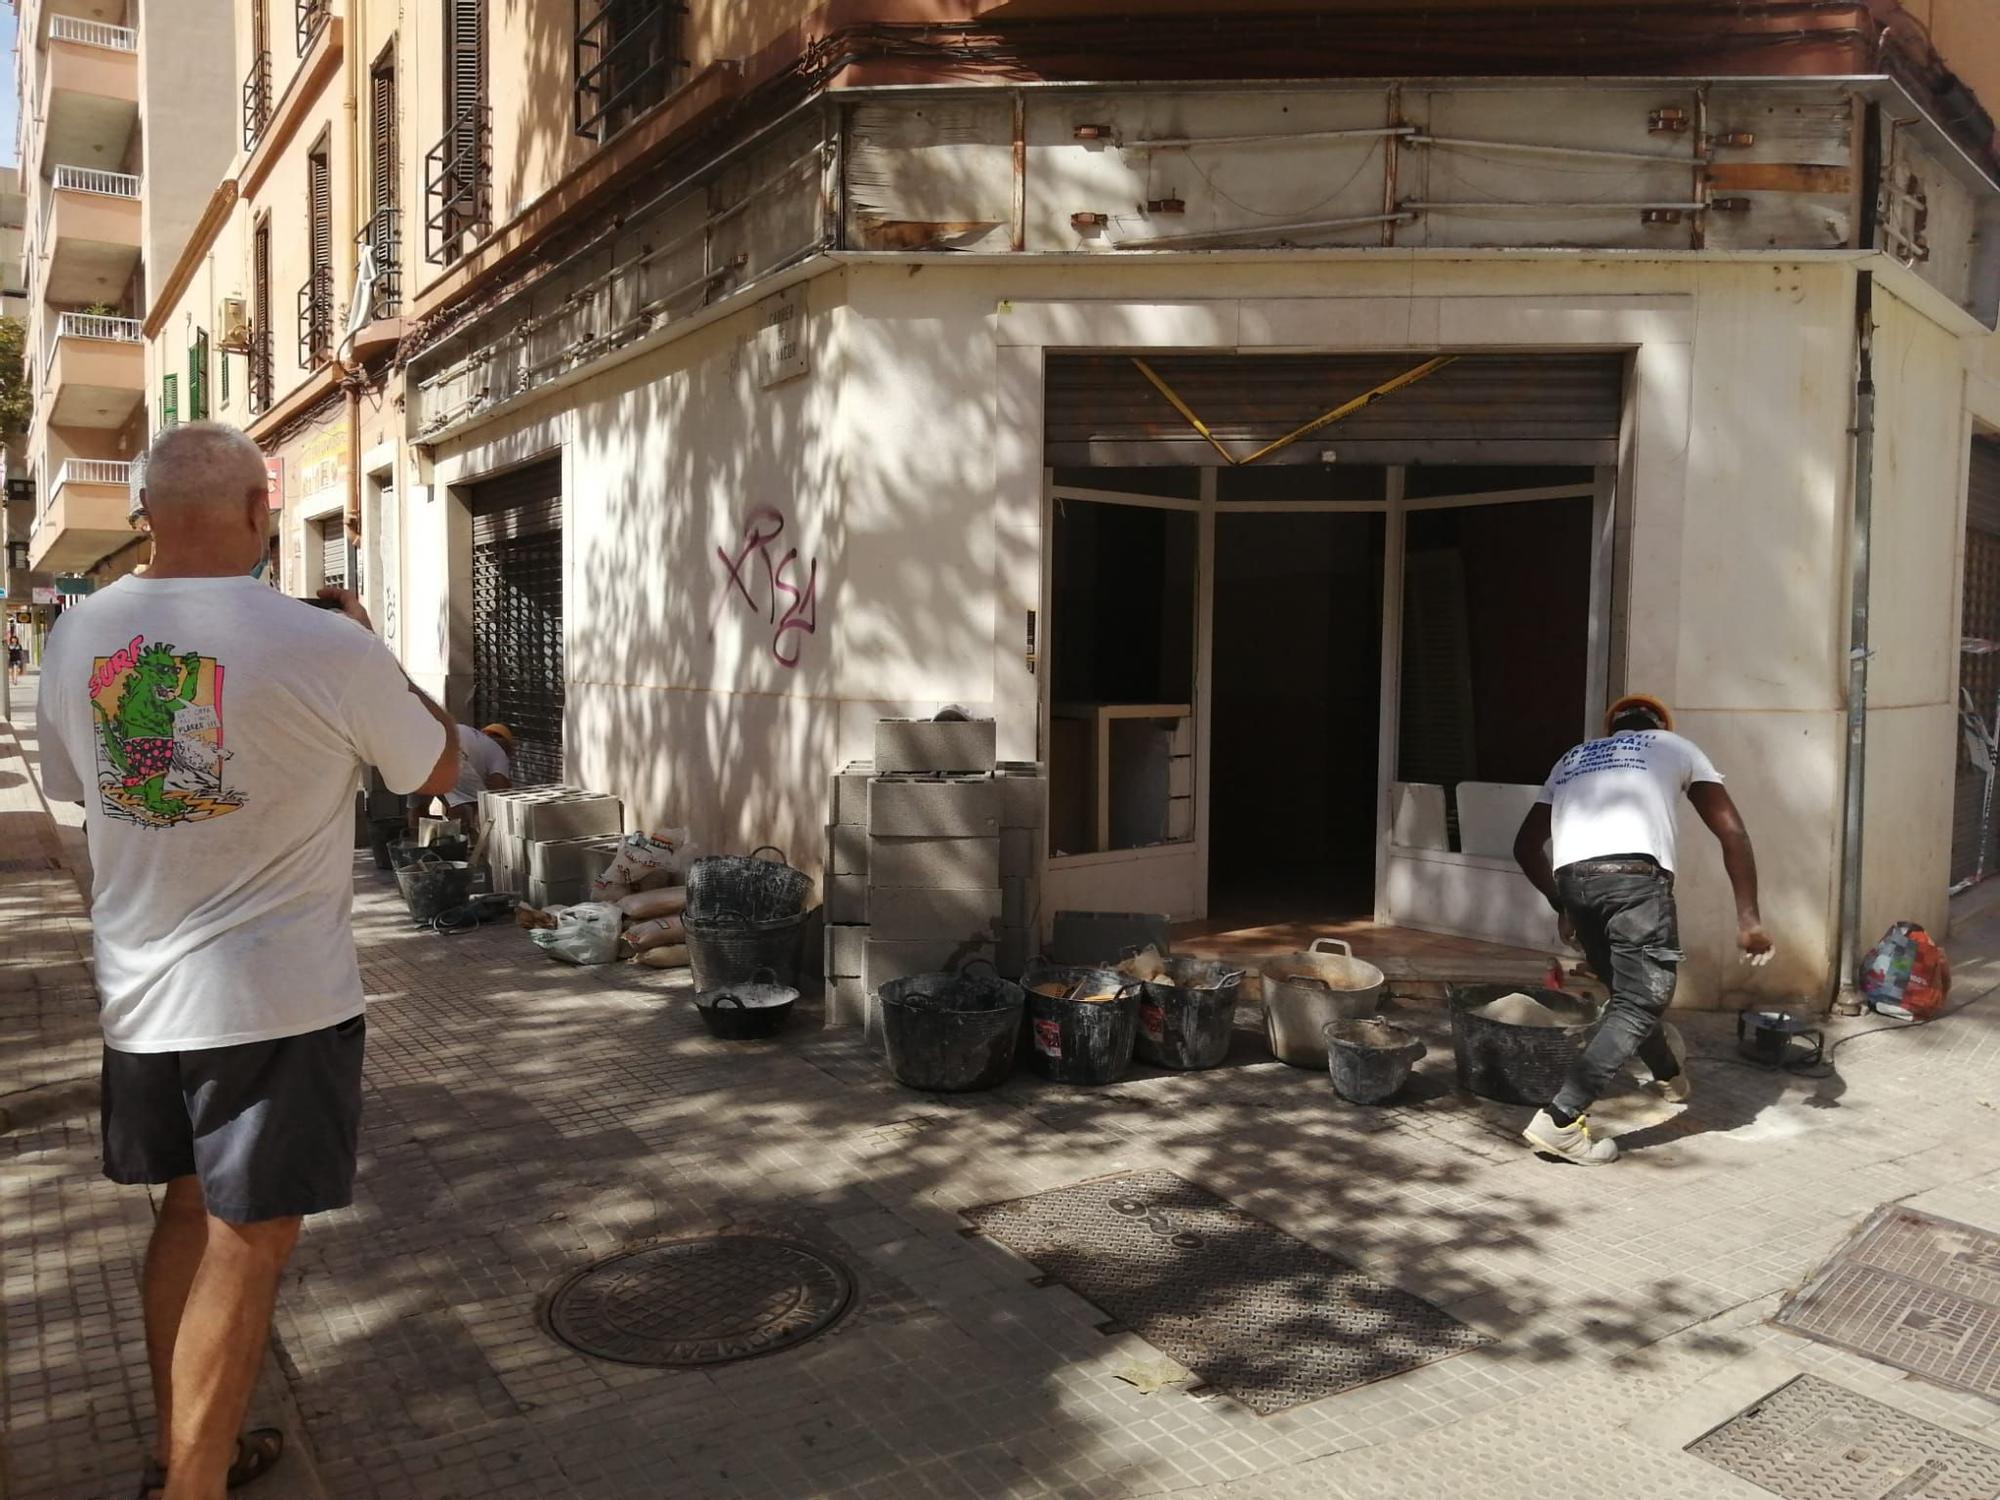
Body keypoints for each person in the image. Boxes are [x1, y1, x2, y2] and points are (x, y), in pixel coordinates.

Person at [34, 422, 458, 1500]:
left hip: (138, 994)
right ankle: (192, 1484)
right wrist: (375, 647)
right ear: (262, 518)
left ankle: (179, 1449)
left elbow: (83, 791)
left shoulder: (81, 639)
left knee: (186, 1209)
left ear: (143, 523)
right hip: (275, 1000)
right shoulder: (327, 645)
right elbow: (432, 765)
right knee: (251, 1239)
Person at [1510, 694, 1773, 1165]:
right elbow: (1732, 832)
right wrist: (1749, 918)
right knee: (1642, 999)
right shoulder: (1676, 747)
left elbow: (1526, 845)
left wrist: (1561, 902)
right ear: (1659, 725)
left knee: (1628, 994)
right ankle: (1562, 1120)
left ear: (1613, 729)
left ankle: (1670, 1076)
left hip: (1577, 883)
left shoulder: (1573, 757)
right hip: (1634, 880)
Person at [407, 721, 513, 836]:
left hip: (417, 753)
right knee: (477, 806)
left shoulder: (474, 737)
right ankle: (459, 847)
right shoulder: (499, 752)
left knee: (418, 809)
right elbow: (500, 789)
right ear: (506, 747)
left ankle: (414, 850)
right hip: (448, 753)